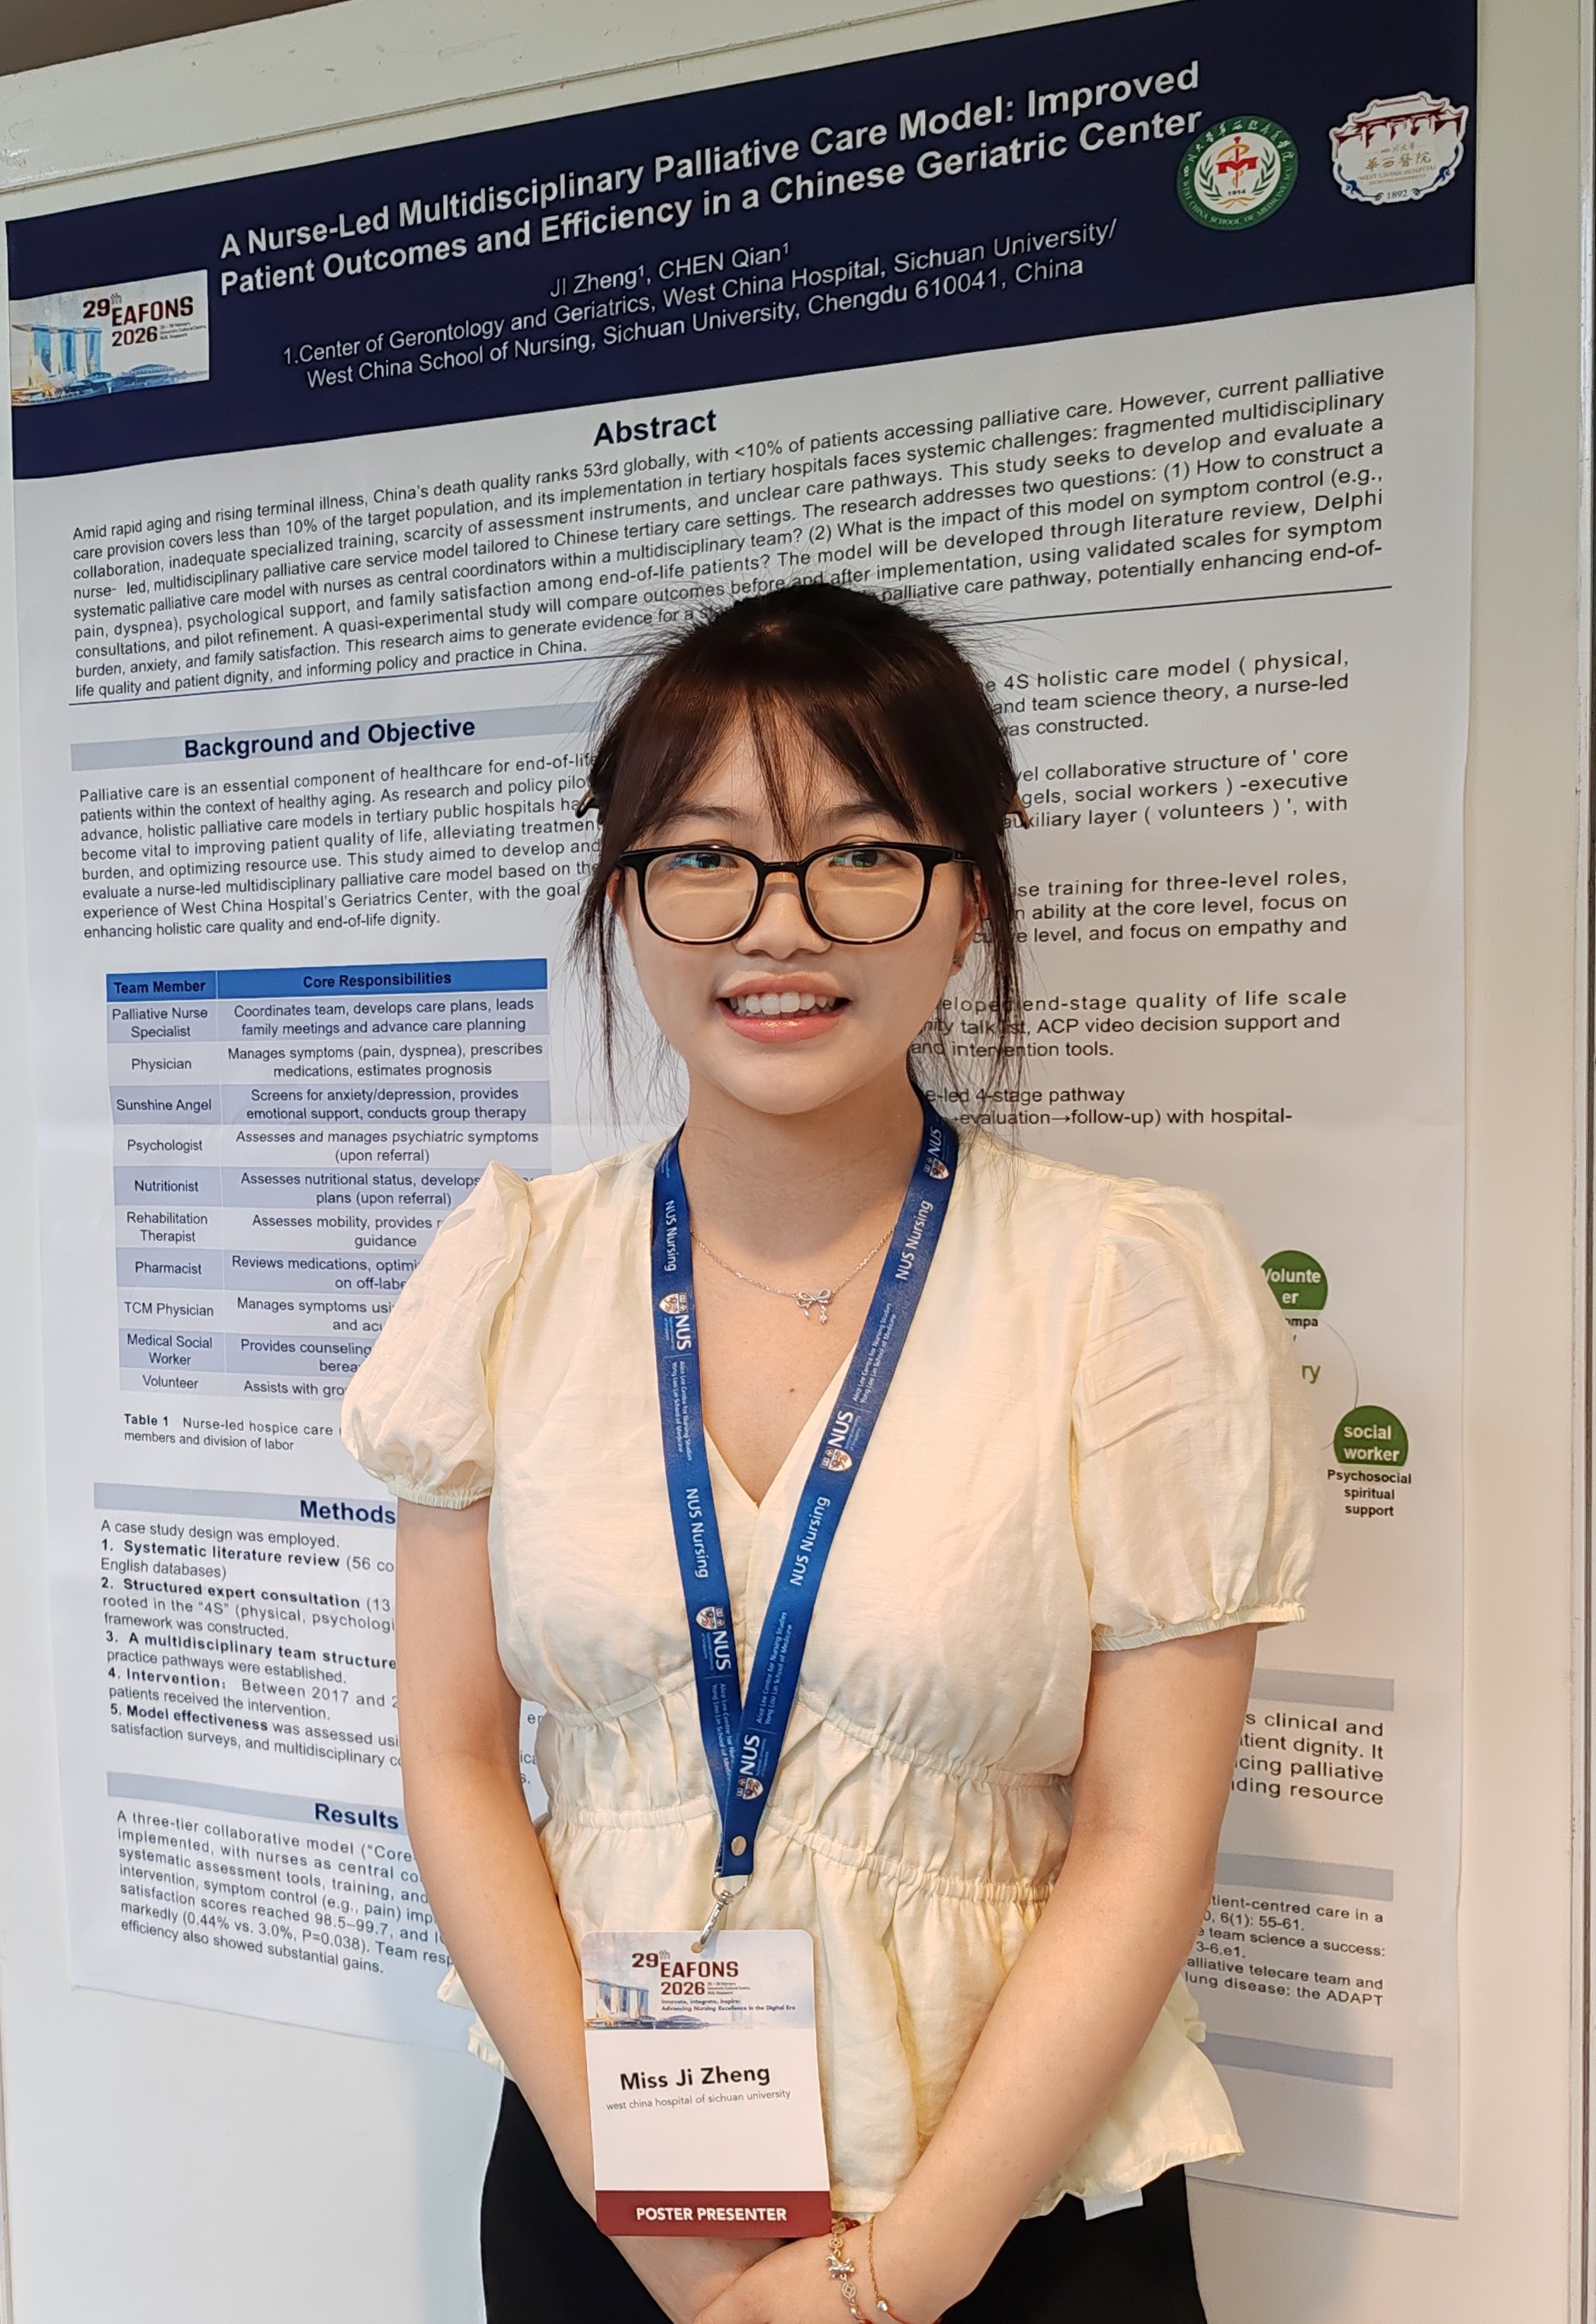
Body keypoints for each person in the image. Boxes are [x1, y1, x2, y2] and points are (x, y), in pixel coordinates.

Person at [341, 583, 1318, 2323]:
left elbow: (1144, 1838)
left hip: (1011, 2211)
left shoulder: (1121, 1280)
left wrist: (889, 2276)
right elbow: (458, 1761)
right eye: (704, 857)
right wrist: (650, 2221)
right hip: (605, 2193)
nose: (777, 926)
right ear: (624, 897)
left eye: (862, 854)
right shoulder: (513, 1272)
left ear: (969, 897)